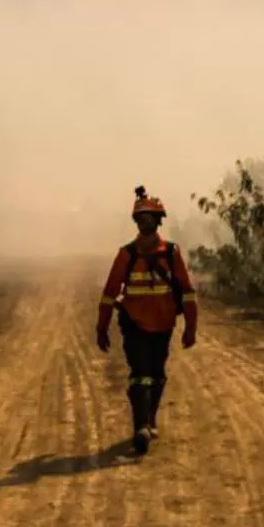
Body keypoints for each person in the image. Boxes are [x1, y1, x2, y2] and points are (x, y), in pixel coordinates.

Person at [96, 186, 199, 455]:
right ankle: (141, 426)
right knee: (140, 374)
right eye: (141, 218)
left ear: (158, 220)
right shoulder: (126, 255)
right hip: (134, 324)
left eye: (150, 217)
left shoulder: (172, 253)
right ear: (136, 222)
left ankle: (149, 420)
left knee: (157, 375)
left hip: (163, 325)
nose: (145, 222)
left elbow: (187, 292)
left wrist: (191, 328)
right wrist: (101, 327)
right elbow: (109, 294)